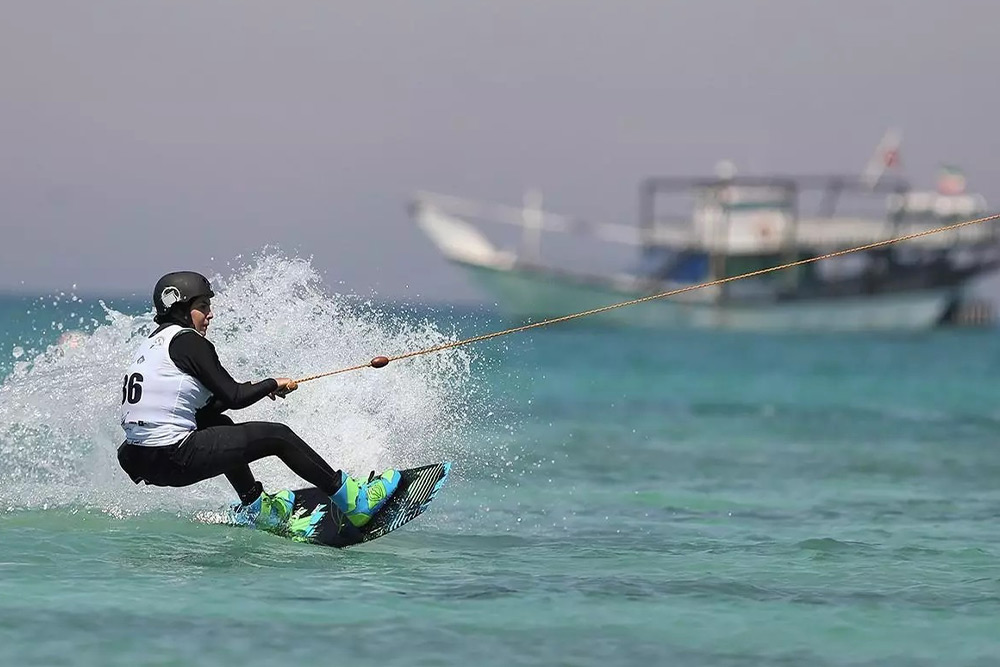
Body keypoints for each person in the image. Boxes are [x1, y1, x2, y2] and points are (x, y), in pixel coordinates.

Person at [116, 271, 400, 529]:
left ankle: (257, 507)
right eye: (203, 307)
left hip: (142, 460)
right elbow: (235, 396)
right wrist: (270, 383)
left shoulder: (153, 345)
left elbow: (209, 407)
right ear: (180, 308)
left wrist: (263, 389)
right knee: (278, 436)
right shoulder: (189, 341)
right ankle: (355, 502)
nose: (210, 314)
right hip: (174, 456)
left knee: (219, 424)